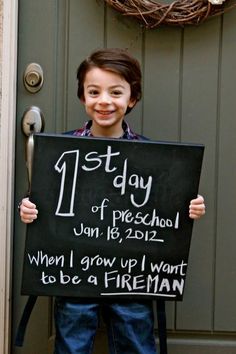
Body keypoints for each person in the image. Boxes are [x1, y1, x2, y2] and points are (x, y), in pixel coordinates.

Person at [19, 48, 206, 354]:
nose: (104, 100)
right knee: (72, 343)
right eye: (94, 92)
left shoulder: (153, 159)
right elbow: (39, 198)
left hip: (132, 276)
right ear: (82, 96)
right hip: (72, 272)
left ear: (132, 98)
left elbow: (170, 208)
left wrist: (189, 206)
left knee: (136, 342)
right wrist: (26, 209)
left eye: (115, 92)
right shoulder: (60, 152)